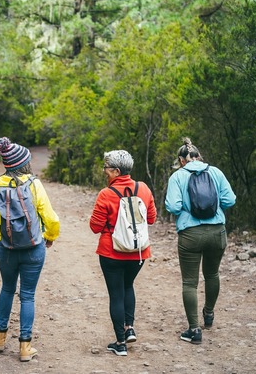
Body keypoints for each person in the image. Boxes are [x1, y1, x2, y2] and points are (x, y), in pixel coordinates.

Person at [0, 137, 60, 362]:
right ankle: (25, 348)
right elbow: (50, 217)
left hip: (5, 248)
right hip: (34, 248)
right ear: (23, 163)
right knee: (27, 295)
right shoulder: (34, 184)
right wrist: (50, 236)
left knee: (7, 289)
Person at [165, 137, 236, 344]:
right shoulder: (215, 172)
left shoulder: (177, 176)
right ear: (198, 156)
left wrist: (189, 208)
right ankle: (209, 314)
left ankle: (194, 330)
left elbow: (173, 207)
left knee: (190, 282)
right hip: (217, 232)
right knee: (212, 273)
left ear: (181, 159)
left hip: (190, 234)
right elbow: (230, 200)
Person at [89, 150, 157, 356]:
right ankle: (130, 328)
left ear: (117, 171)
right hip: (138, 253)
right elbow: (152, 219)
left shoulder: (106, 194)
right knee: (128, 286)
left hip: (112, 253)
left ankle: (120, 343)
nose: (104, 172)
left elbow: (95, 227)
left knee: (116, 294)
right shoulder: (143, 188)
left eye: (107, 168)